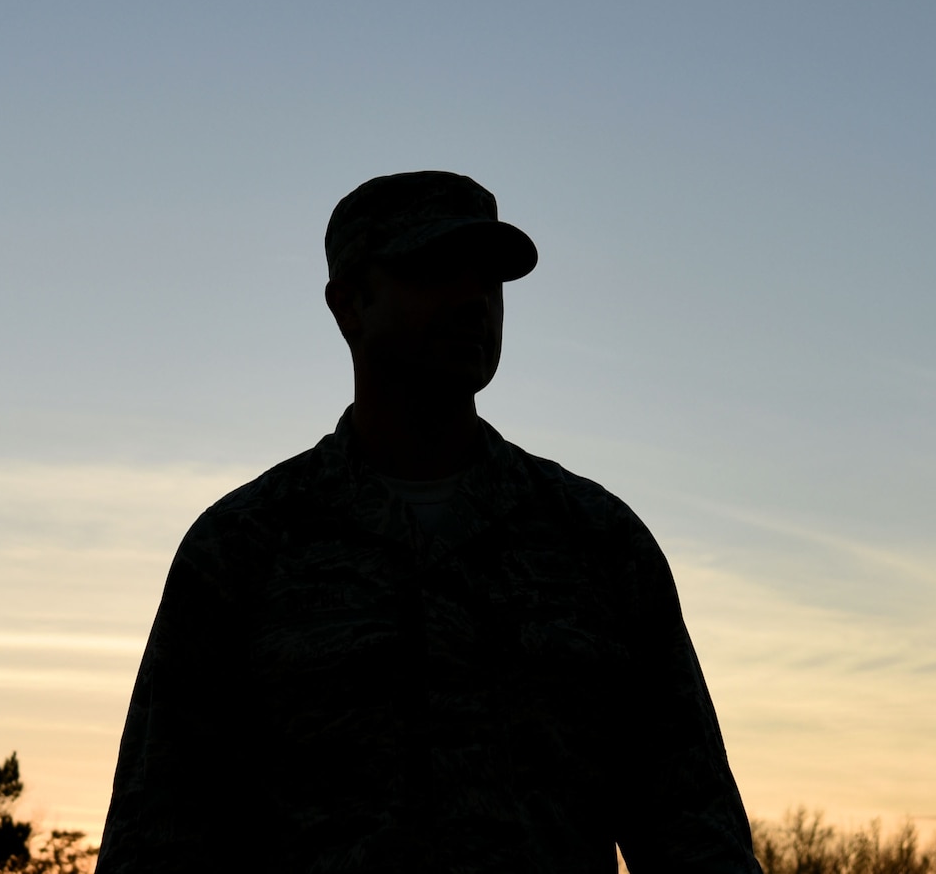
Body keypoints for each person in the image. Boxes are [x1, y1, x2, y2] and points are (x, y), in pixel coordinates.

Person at [96, 171, 759, 873]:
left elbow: (696, 832)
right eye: (436, 270)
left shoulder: (599, 541)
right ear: (349, 303)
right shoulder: (240, 551)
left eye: (490, 278)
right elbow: (158, 834)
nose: (474, 299)